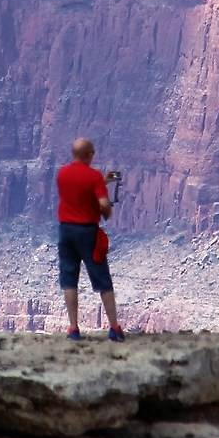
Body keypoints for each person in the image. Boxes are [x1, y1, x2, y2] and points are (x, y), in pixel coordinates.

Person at [54, 137, 123, 341]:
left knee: (69, 279)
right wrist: (107, 210)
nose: (94, 156)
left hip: (65, 231)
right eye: (92, 153)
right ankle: (114, 328)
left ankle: (73, 328)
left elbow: (78, 188)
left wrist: (104, 181)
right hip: (87, 232)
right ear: (86, 155)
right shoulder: (93, 177)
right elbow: (102, 203)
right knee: (102, 279)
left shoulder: (62, 174)